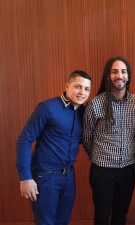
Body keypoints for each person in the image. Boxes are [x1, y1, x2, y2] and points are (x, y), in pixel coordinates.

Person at [16, 70, 92, 225]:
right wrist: (25, 178)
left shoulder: (84, 112)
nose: (82, 92)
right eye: (78, 86)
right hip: (45, 177)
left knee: (63, 221)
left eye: (86, 89)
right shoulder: (47, 108)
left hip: (69, 177)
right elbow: (24, 140)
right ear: (67, 86)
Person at [83, 56, 135, 225]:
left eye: (123, 72)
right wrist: (99, 156)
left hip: (128, 169)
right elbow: (87, 138)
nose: (119, 75)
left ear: (128, 76)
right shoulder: (95, 104)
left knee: (120, 214)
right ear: (108, 76)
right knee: (102, 215)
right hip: (102, 171)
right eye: (114, 71)